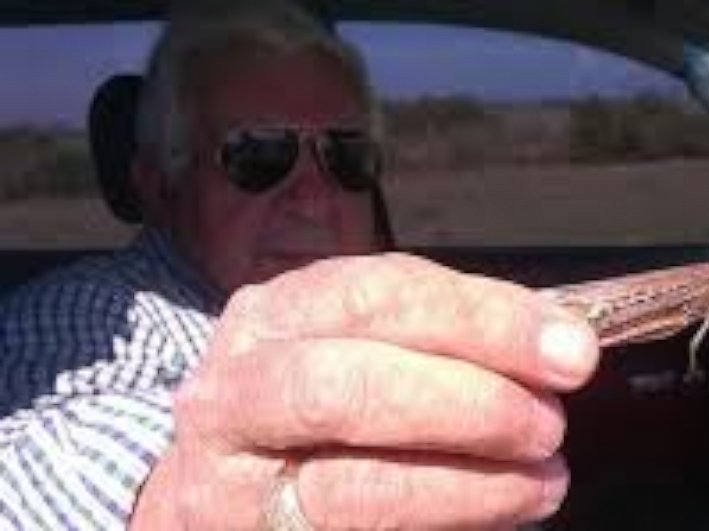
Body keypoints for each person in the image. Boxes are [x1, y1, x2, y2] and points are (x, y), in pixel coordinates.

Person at [0, 1, 599, 529]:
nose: (313, 196)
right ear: (161, 185)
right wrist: (177, 500)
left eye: (345, 155)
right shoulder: (91, 315)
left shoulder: (392, 305)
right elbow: (27, 470)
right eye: (259, 153)